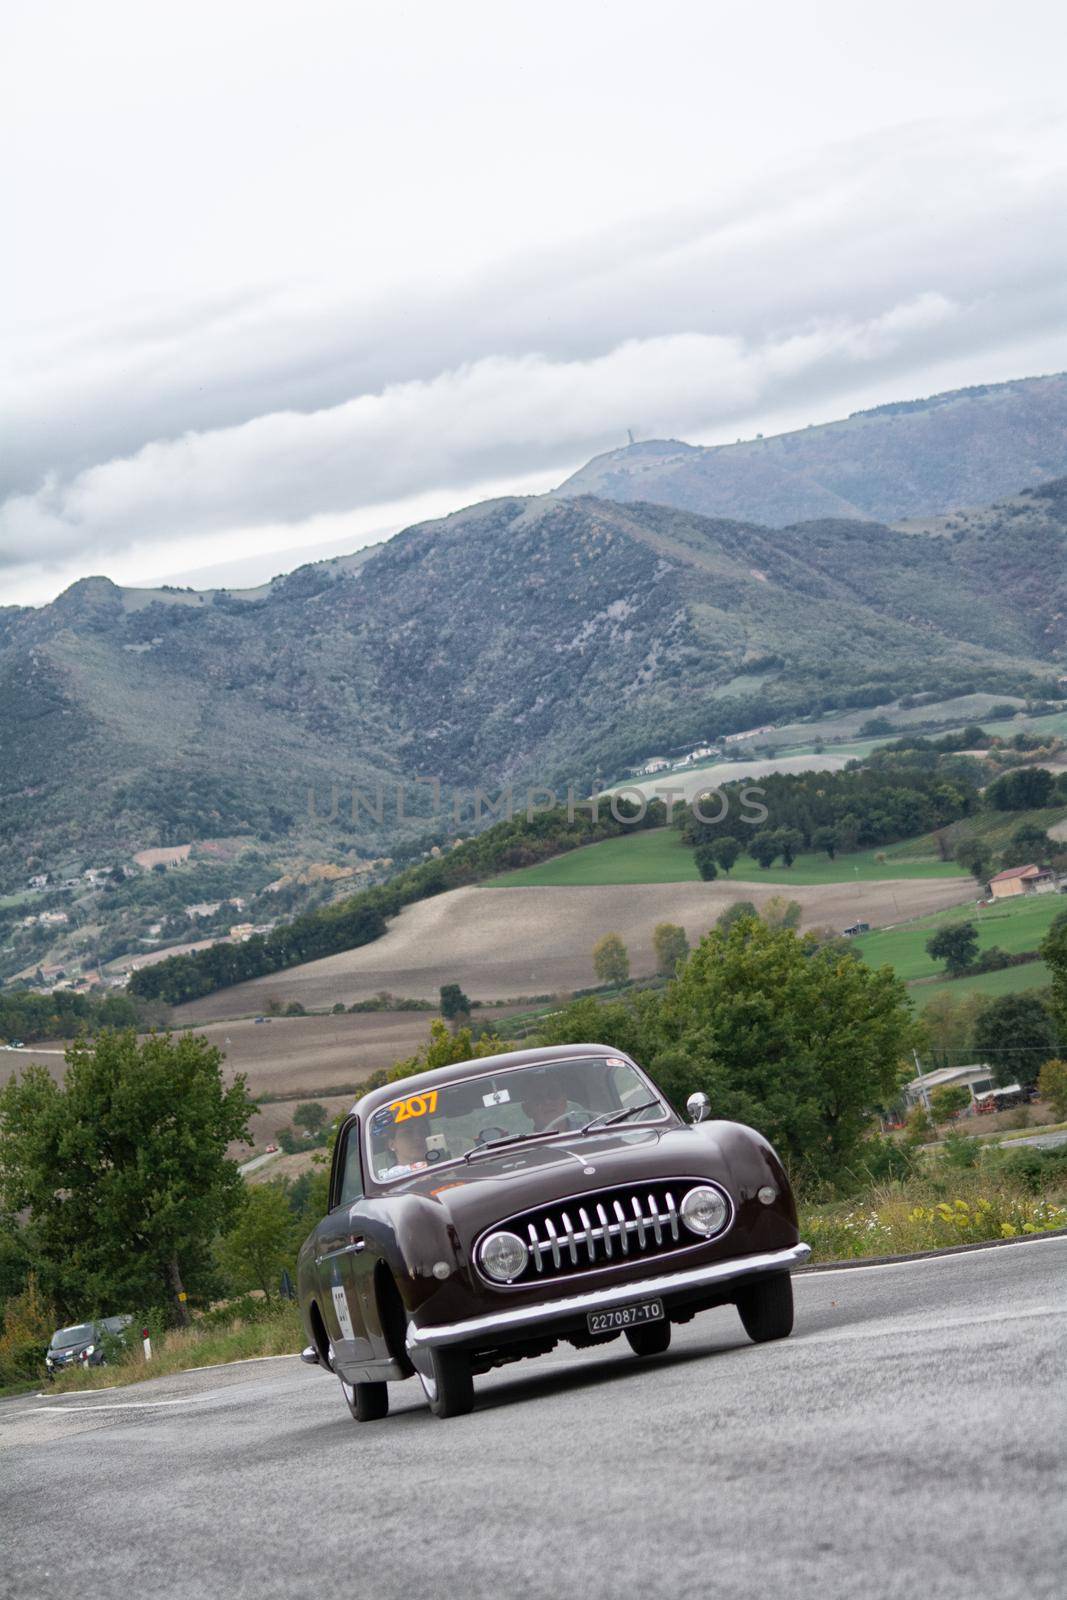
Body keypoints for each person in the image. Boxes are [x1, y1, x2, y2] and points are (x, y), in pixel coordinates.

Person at [521, 1073, 586, 1133]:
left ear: (564, 1101)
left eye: (553, 1094)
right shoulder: (527, 1145)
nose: (547, 1102)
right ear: (527, 1110)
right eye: (538, 1098)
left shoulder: (590, 1133)